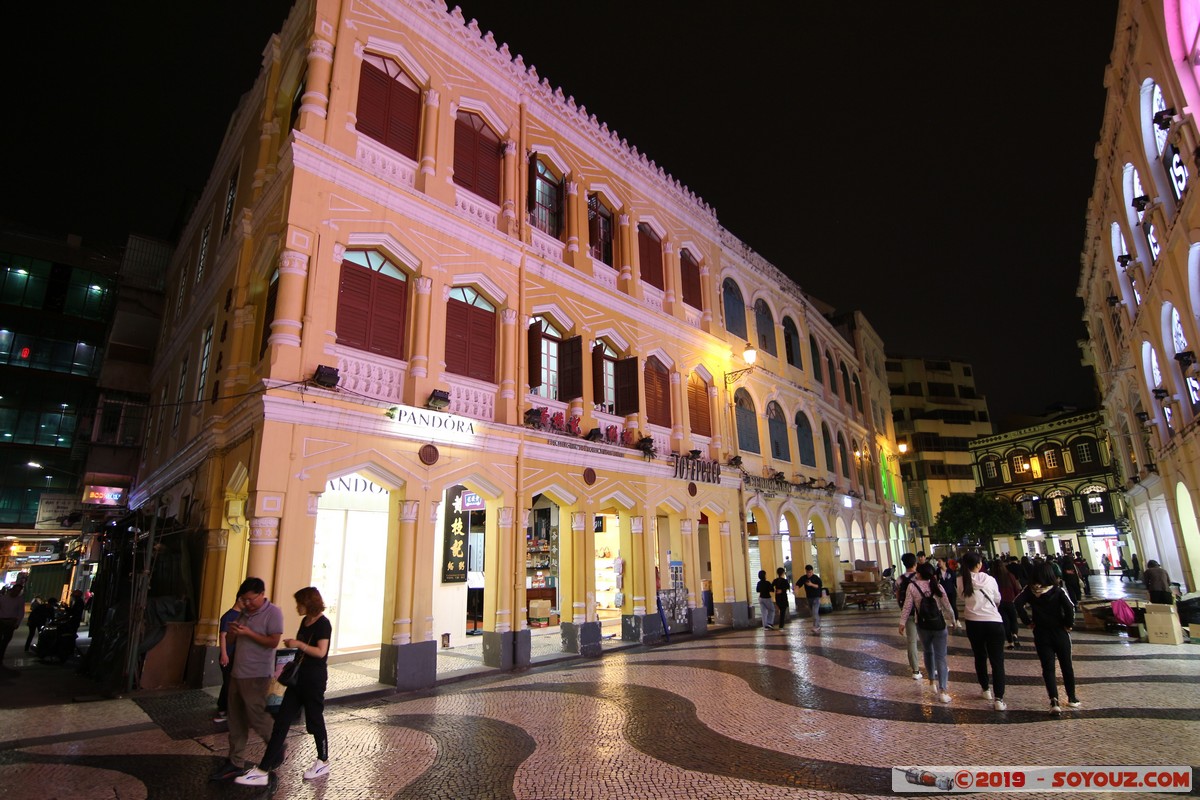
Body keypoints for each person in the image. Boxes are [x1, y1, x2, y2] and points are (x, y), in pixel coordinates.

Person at [236, 587, 332, 785]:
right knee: (281, 723)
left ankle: (323, 760)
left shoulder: (324, 624)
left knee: (314, 720)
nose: (297, 607)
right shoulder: (305, 621)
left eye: (300, 603)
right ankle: (263, 769)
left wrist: (298, 644)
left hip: (314, 681)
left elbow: (321, 652)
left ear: (309, 603)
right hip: (298, 680)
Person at [210, 578, 284, 781]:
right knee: (236, 720)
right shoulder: (244, 613)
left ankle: (276, 745)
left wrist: (249, 633)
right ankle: (235, 762)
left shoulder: (273, 613)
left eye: (250, 599)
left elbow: (273, 642)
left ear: (261, 594)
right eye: (244, 599)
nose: (247, 603)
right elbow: (234, 640)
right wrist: (233, 634)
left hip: (257, 674)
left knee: (257, 716)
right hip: (237, 672)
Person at [1014, 562, 1080, 715]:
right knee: (1066, 665)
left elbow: (1017, 603)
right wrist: (1068, 624)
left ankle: (1054, 700)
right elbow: (1070, 607)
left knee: (1048, 667)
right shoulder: (1057, 590)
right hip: (1059, 631)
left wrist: (1028, 621)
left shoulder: (1030, 591)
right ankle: (1072, 697)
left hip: (1041, 632)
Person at [898, 562, 958, 704]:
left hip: (923, 625)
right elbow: (947, 606)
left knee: (927, 652)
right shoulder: (938, 586)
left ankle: (931, 682)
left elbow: (907, 607)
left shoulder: (912, 587)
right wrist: (953, 620)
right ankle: (943, 691)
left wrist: (902, 623)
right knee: (941, 657)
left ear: (918, 574)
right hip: (939, 625)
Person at [958, 552, 1007, 712]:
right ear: (979, 564)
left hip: (973, 622)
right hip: (993, 622)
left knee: (980, 656)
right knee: (997, 661)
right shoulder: (990, 579)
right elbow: (997, 598)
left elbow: (961, 597)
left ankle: (985, 689)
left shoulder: (961, 580)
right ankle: (999, 699)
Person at [213, 596, 245, 723]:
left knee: (229, 683)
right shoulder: (228, 616)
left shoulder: (243, 616)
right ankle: (225, 710)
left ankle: (222, 707)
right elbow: (223, 636)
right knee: (229, 683)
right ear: (239, 600)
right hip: (229, 655)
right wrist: (224, 654)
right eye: (245, 601)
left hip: (237, 655)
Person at [896, 553, 922, 680]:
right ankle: (933, 666)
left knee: (911, 641)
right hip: (923, 613)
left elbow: (897, 595)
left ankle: (915, 671)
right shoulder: (920, 577)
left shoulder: (900, 579)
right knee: (929, 639)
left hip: (909, 613)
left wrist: (903, 610)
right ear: (915, 563)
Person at [994, 560, 1022, 649]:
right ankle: (1015, 635)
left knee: (1005, 622)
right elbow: (1016, 588)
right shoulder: (1010, 575)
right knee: (1013, 620)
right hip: (1011, 601)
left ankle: (1010, 642)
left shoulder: (994, 578)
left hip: (1000, 603)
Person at [0, 582, 25, 672]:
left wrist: (17, 623)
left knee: (5, 641)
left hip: (11, 622)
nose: (17, 592)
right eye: (16, 590)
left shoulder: (20, 600)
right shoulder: (3, 598)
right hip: (1, 621)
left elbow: (21, 612)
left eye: (19, 591)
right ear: (12, 589)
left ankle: (1, 657)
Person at [796, 564, 823, 633]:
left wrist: (811, 584)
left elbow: (819, 586)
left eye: (810, 572)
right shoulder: (804, 578)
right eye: (807, 572)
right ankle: (818, 625)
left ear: (812, 571)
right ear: (806, 571)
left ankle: (816, 626)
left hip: (816, 597)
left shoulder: (816, 578)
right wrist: (796, 589)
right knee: (813, 612)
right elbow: (798, 584)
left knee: (815, 612)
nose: (809, 574)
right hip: (809, 597)